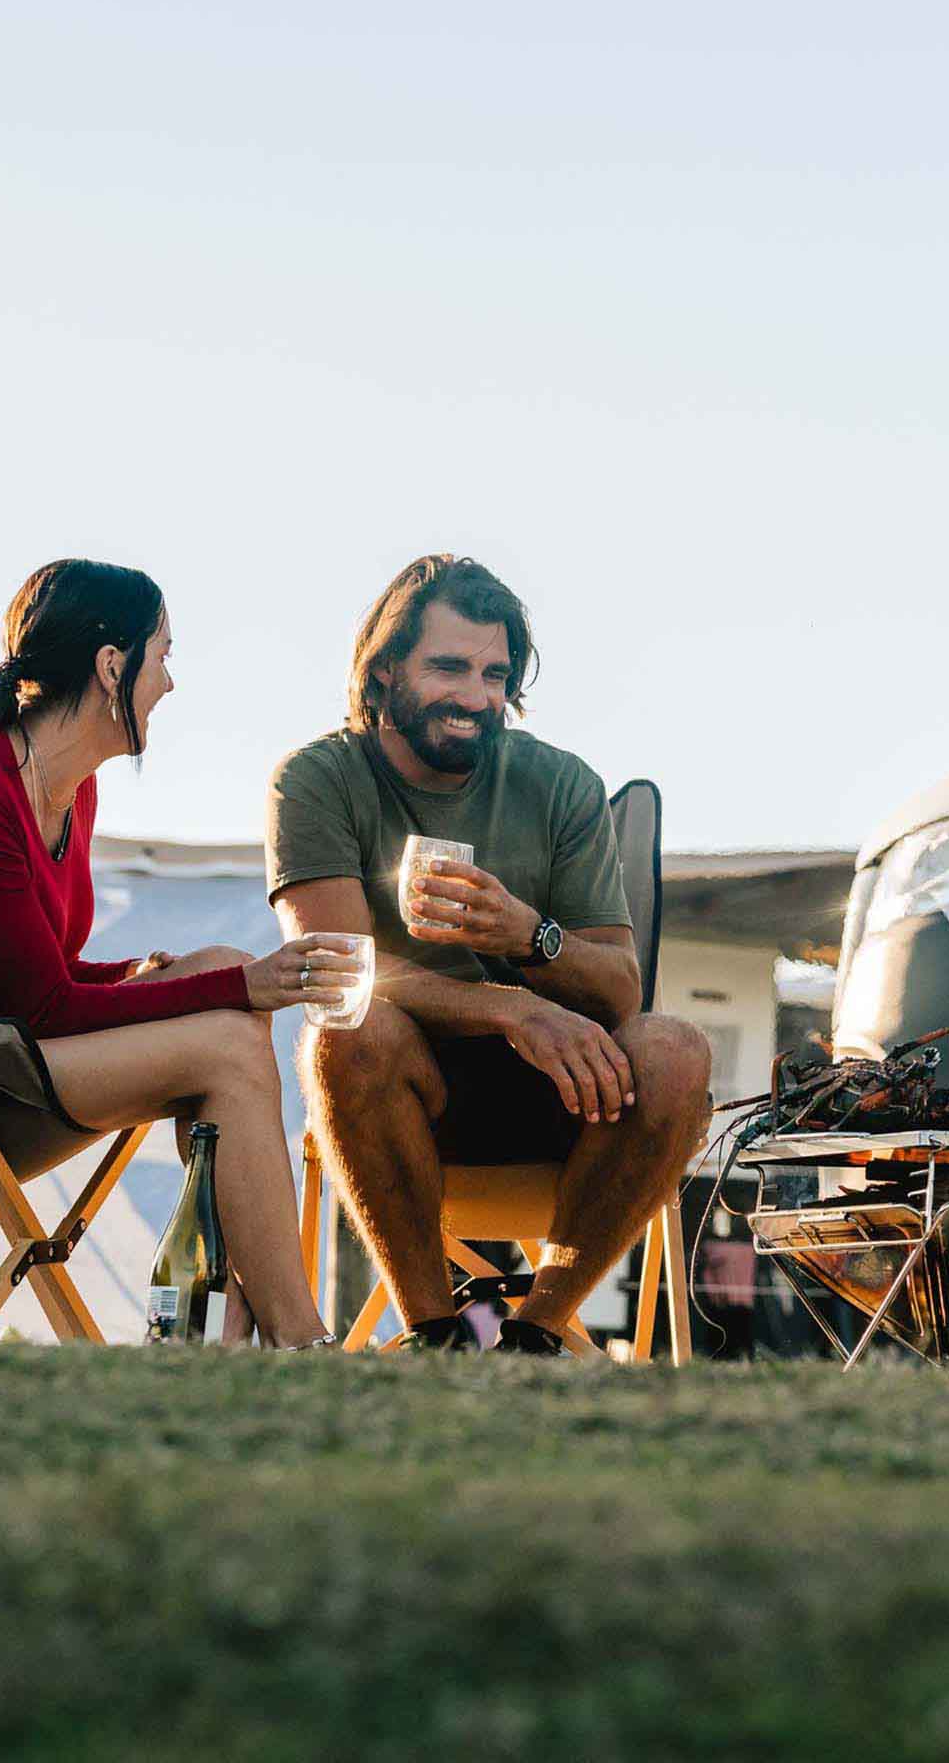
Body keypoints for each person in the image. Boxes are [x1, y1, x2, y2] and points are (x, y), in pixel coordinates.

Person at [0, 558, 357, 1348]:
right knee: (229, 1029)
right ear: (109, 667)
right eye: (162, 655)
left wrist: (159, 978)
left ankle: (239, 1324)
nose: (169, 682)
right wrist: (242, 984)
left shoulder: (69, 789)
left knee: (216, 972)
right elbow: (42, 1010)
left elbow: (34, 982)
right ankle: (296, 1339)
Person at [267, 555, 711, 1355]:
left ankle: (537, 1337)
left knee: (676, 1051)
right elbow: (332, 967)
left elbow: (619, 991)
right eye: (448, 667)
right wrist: (509, 1007)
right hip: (407, 1095)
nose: (475, 698)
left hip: (565, 1093)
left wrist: (526, 937)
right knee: (343, 1033)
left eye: (494, 674)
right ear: (385, 669)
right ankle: (435, 1331)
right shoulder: (318, 779)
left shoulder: (560, 783)